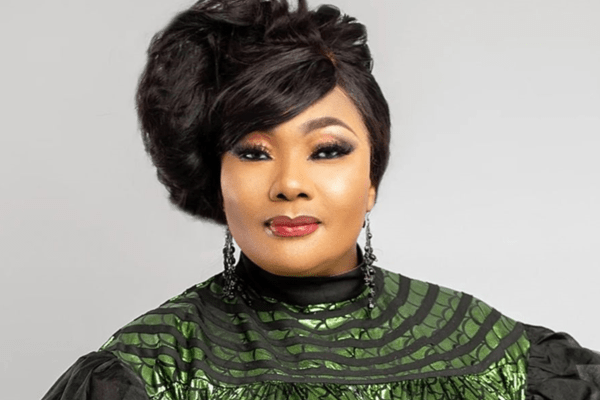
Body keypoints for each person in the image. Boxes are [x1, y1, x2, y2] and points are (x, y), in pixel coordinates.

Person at [42, 0, 600, 399]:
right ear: (217, 180)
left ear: (371, 178)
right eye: (254, 152)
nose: (290, 183)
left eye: (327, 150)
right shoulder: (151, 370)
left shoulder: (493, 352)